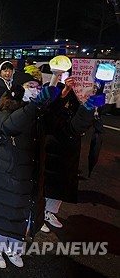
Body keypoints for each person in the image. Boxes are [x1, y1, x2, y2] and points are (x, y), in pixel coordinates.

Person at [0, 83, 61, 269]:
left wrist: (87, 107)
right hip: (7, 175)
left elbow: (66, 130)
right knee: (2, 212)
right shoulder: (4, 111)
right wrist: (35, 105)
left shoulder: (40, 113)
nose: (35, 88)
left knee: (22, 215)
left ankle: (14, 248)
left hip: (29, 176)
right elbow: (10, 125)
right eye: (30, 85)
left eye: (38, 85)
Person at [41, 77, 103, 231]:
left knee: (61, 186)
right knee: (45, 186)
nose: (67, 100)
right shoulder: (49, 111)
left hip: (68, 153)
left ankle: (49, 212)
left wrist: (93, 101)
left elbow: (78, 125)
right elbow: (48, 111)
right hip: (50, 152)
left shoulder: (73, 107)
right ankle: (38, 215)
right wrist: (63, 92)